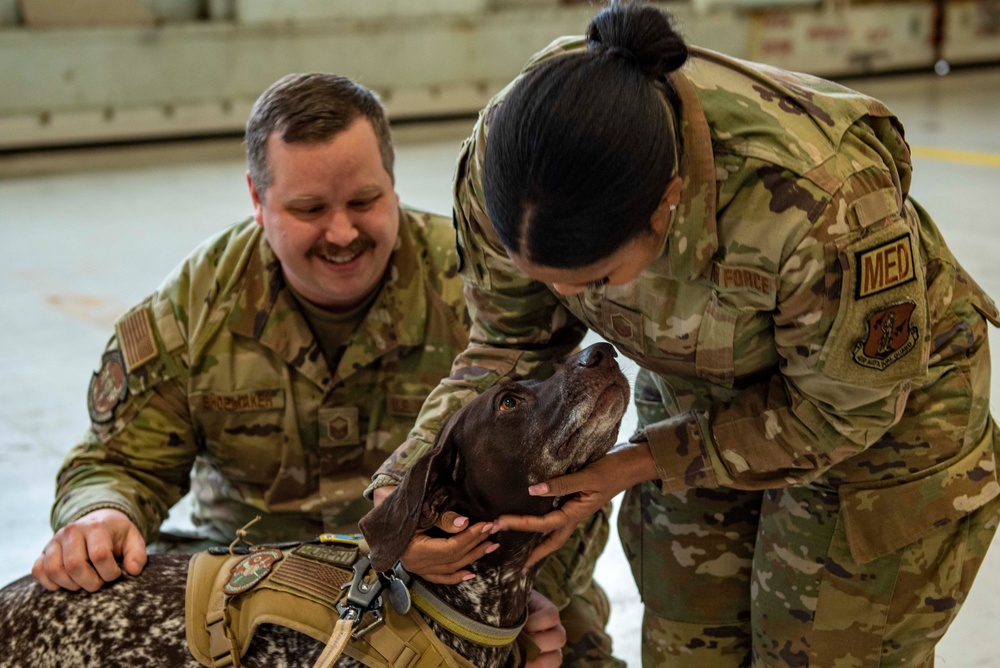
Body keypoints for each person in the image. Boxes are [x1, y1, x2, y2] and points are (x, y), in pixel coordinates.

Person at [373, 1, 1000, 666]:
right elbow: (510, 344)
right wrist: (402, 493)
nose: (564, 299)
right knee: (687, 649)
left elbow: (843, 413)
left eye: (594, 279)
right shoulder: (513, 163)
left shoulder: (822, 206)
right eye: (543, 277)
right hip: (697, 388)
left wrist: (641, 463)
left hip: (875, 416)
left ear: (667, 206)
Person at [29, 71, 601, 667]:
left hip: (453, 584)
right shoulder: (196, 308)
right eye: (308, 208)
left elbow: (569, 471)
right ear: (257, 199)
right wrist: (102, 513)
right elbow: (118, 461)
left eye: (364, 200)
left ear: (393, 180)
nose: (342, 232)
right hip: (260, 595)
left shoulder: (481, 297)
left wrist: (513, 604)